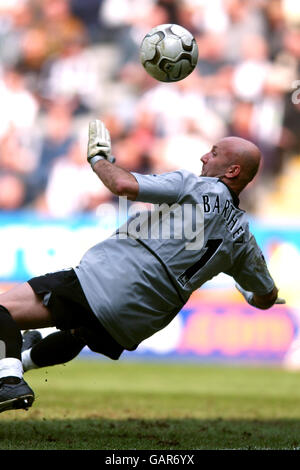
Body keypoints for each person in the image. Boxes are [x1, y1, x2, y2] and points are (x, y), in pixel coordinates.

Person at [0, 120, 284, 413]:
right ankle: (21, 360)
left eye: (213, 153)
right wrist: (248, 293)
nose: (203, 157)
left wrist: (98, 159)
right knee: (79, 333)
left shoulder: (196, 186)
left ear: (232, 170)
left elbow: (122, 184)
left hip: (106, 282)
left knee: (3, 311)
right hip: (138, 322)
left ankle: (9, 380)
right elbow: (267, 297)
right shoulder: (244, 239)